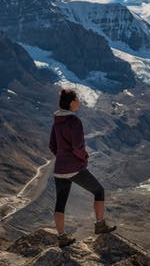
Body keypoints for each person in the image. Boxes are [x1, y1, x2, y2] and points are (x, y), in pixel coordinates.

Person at [49, 89, 116, 247]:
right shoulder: (74, 121)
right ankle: (100, 224)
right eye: (77, 99)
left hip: (59, 169)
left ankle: (61, 237)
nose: (79, 102)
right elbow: (77, 146)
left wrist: (61, 157)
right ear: (72, 102)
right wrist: (84, 158)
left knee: (60, 203)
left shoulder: (56, 122)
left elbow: (52, 145)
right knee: (98, 191)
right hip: (74, 168)